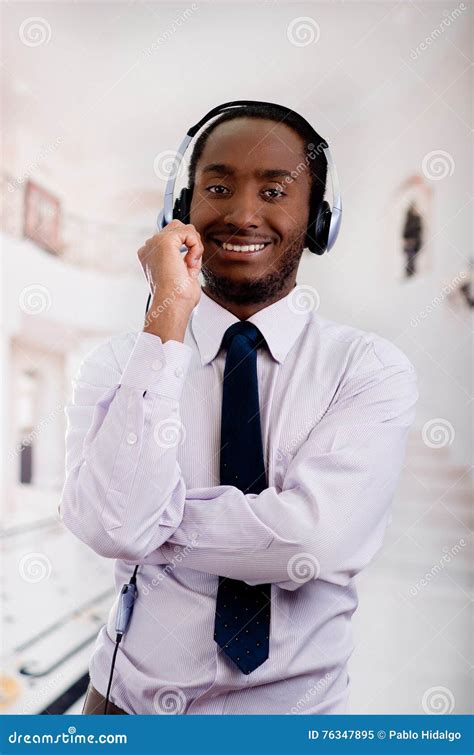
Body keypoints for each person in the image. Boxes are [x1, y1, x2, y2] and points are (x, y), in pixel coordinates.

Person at [59, 103, 418, 715]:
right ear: (181, 212)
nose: (243, 213)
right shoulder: (121, 362)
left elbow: (312, 540)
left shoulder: (369, 369)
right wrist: (165, 315)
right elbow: (110, 528)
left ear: (318, 222)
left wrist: (153, 522)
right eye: (218, 187)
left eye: (275, 191)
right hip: (124, 709)